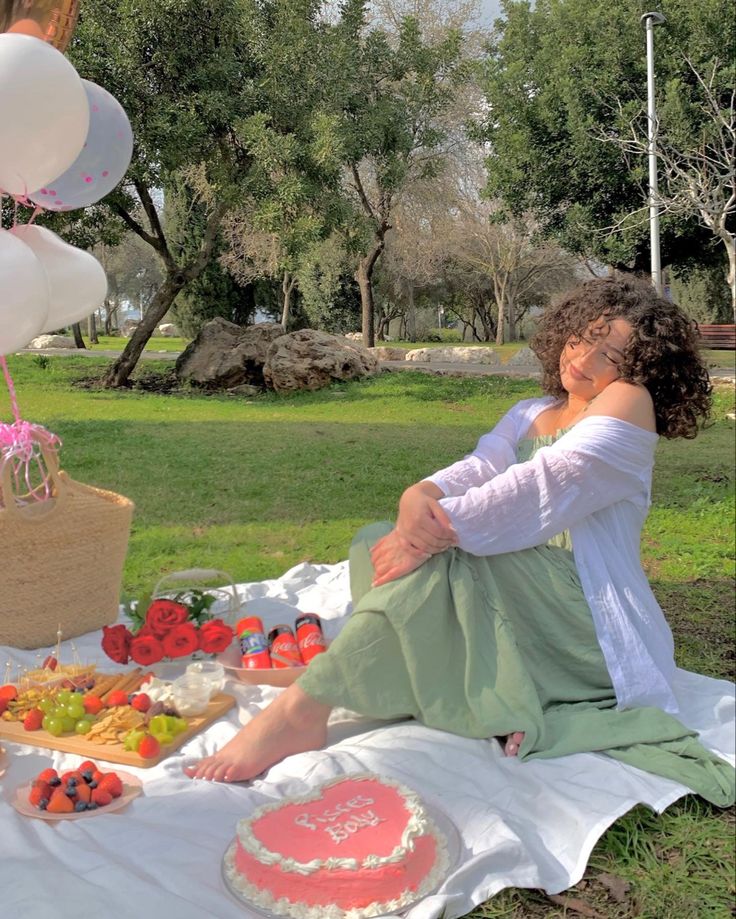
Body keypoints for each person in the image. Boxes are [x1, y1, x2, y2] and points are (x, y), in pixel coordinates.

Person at [186, 276, 733, 805]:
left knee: (438, 562)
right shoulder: (531, 412)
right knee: (375, 541)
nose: (582, 361)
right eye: (580, 339)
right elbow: (481, 466)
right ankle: (417, 677)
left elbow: (543, 484)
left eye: (608, 356)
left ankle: (303, 710)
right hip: (522, 586)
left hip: (584, 617)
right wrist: (417, 497)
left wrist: (434, 532)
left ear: (640, 369)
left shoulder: (629, 402)